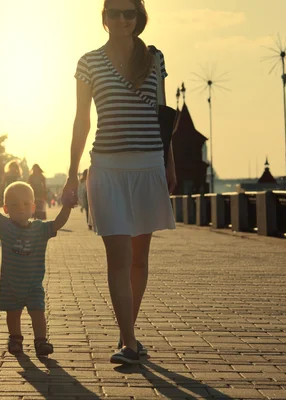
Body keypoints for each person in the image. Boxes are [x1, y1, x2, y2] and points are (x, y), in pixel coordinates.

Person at [62, 0, 176, 365]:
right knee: (119, 258)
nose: (123, 19)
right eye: (115, 13)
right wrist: (70, 171)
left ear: (139, 18)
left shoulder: (154, 59)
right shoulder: (88, 62)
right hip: (107, 168)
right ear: (105, 18)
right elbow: (82, 120)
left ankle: (128, 332)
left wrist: (168, 164)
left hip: (148, 165)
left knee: (140, 259)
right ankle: (129, 343)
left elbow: (162, 117)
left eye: (130, 13)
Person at [0, 181, 72, 355]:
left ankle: (41, 341)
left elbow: (58, 222)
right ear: (6, 209)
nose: (20, 208)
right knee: (13, 313)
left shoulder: (40, 229)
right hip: (10, 283)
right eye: (14, 205)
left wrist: (67, 206)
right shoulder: (5, 226)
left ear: (33, 207)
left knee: (38, 312)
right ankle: (15, 338)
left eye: (25, 204)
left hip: (33, 284)